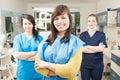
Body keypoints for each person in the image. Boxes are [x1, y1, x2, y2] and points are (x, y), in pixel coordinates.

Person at [35, 4, 84, 80]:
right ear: (52, 22)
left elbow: (71, 72)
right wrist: (61, 72)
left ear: (70, 20)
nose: (60, 21)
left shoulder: (76, 43)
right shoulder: (45, 42)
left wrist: (46, 64)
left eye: (63, 18)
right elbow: (38, 66)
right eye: (56, 19)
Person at [12, 14, 43, 80]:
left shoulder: (40, 38)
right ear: (22, 25)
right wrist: (35, 53)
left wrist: (24, 57)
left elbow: (42, 56)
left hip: (38, 72)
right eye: (25, 24)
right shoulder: (18, 38)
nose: (27, 26)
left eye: (29, 23)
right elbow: (17, 55)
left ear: (33, 24)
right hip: (23, 73)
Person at [79, 14, 107, 80]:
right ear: (87, 23)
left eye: (93, 21)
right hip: (85, 65)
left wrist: (87, 46)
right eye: (89, 21)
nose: (91, 23)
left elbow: (101, 48)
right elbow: (81, 49)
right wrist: (96, 48)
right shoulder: (83, 35)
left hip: (97, 65)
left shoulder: (101, 34)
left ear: (96, 22)